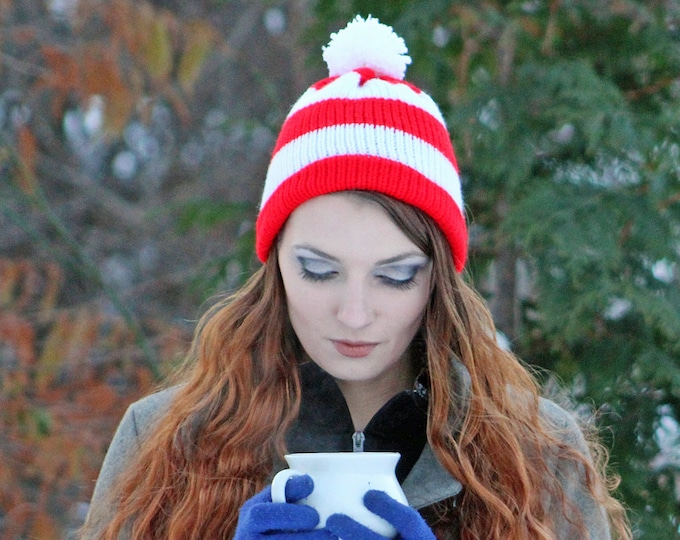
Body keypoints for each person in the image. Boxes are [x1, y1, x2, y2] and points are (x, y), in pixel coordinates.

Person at [79, 15, 631, 540]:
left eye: (396, 276)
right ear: (275, 266)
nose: (355, 313)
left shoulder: (540, 454)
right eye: (319, 271)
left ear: (439, 278)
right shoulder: (164, 443)